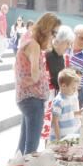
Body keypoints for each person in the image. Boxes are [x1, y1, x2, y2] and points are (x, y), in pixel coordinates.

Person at [14, 12, 60, 155]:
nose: (53, 36)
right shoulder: (33, 45)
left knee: (23, 145)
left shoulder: (28, 40)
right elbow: (34, 72)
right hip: (32, 98)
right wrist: (37, 77)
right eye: (53, 32)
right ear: (46, 29)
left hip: (27, 98)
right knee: (31, 147)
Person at [50, 68, 81, 141]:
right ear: (63, 86)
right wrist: (58, 140)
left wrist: (79, 113)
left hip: (69, 137)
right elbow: (55, 122)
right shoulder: (59, 101)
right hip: (61, 139)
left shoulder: (70, 98)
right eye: (73, 88)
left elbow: (70, 114)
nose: (75, 90)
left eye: (76, 88)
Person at [46, 25, 73, 93]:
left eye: (70, 44)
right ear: (58, 41)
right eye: (67, 43)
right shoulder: (45, 56)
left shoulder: (65, 58)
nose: (69, 47)